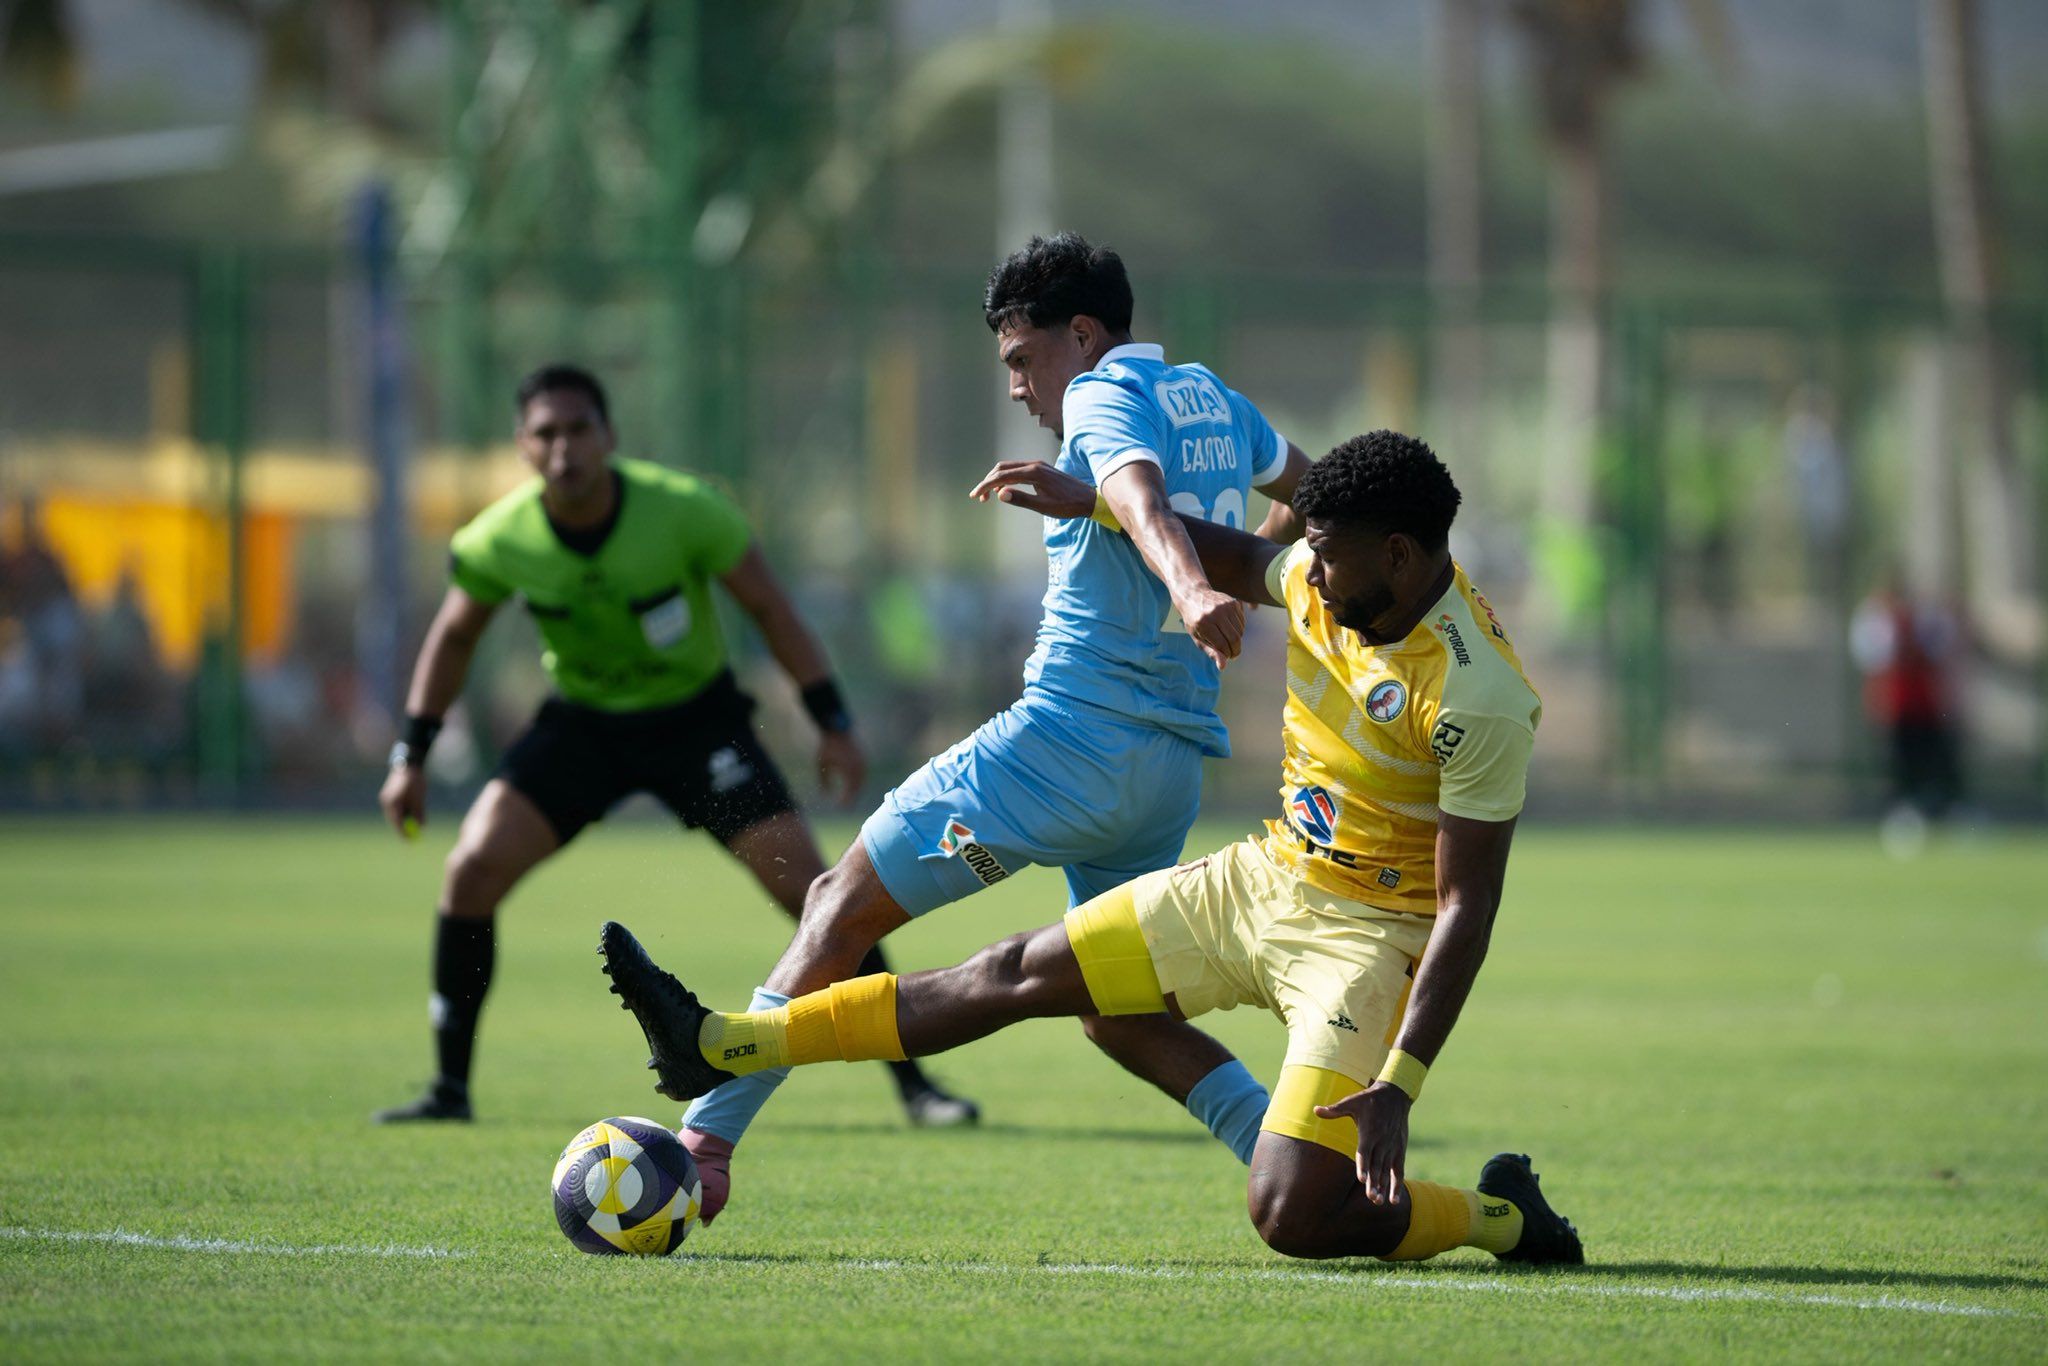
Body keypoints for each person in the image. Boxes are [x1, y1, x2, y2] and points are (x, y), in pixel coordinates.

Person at [600, 430, 1581, 1265]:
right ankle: (721, 1042)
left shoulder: (1476, 697)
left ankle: (1497, 1216)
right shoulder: (1335, 581)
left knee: (1290, 1212)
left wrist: (1398, 1085)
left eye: (1327, 553)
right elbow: (1235, 557)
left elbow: (1462, 909)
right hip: (1263, 879)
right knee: (1014, 968)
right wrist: (1093, 503)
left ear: (1401, 557)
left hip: (1366, 941)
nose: (1308, 571)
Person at [669, 232, 1315, 1223]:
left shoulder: (1101, 394)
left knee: (839, 906)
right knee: (1115, 1008)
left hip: (1062, 749)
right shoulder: (1213, 400)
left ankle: (700, 1144)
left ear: (1084, 333)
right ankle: (1289, 1151)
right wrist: (1243, 578)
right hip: (1165, 772)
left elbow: (1139, 497)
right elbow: (1307, 496)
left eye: (1021, 359)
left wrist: (1191, 583)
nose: (1016, 387)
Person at [373, 364, 973, 1127]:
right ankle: (448, 1090)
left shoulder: (684, 512)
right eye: (546, 434)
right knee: (469, 873)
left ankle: (917, 1088)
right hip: (583, 728)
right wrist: (411, 757)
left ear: (609, 436)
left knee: (822, 895)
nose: (565, 450)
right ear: (522, 447)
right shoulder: (501, 538)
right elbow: (454, 636)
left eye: (579, 429)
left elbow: (770, 607)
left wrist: (833, 724)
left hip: (697, 725)